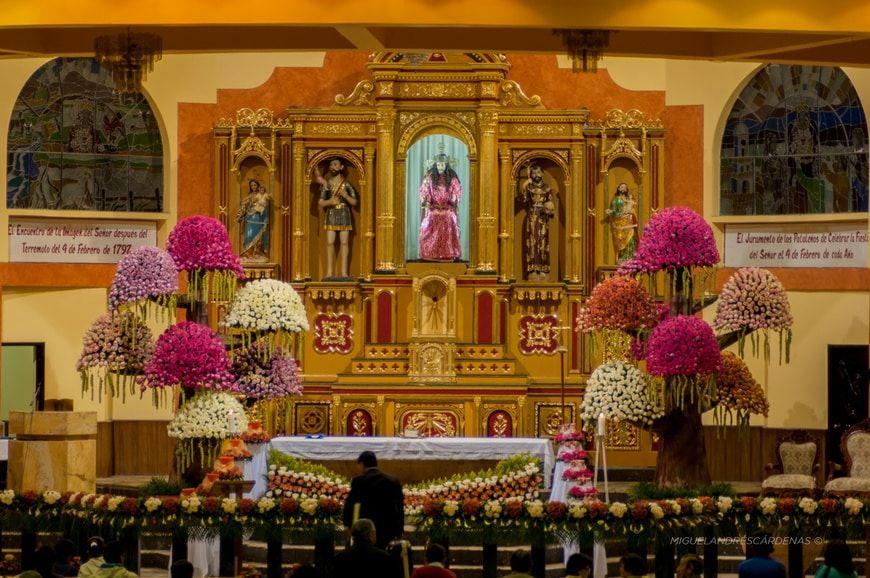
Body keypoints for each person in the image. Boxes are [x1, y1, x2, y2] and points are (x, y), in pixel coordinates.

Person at [342, 451, 404, 549]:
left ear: (362, 464)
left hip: (365, 529)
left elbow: (350, 504)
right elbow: (400, 507)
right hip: (387, 527)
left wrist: (347, 525)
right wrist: (399, 530)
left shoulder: (359, 481)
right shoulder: (393, 480)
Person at [315, 157, 358, 279]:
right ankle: (329, 272)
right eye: (331, 165)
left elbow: (354, 201)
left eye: (335, 164)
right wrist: (330, 201)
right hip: (332, 214)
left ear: (341, 167)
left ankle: (344, 273)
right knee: (330, 243)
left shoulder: (346, 184)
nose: (333, 167)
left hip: (344, 213)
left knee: (344, 243)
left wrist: (346, 196)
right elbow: (321, 202)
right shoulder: (327, 184)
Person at [418, 151, 462, 261]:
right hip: (434, 208)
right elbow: (424, 190)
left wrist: (454, 198)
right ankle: (430, 253)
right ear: (435, 165)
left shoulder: (452, 179)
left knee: (449, 218)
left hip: (447, 208)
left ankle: (448, 253)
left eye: (442, 165)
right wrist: (425, 198)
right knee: (430, 219)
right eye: (438, 164)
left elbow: (456, 190)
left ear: (446, 165)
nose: (440, 167)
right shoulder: (430, 178)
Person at [520, 162, 556, 281]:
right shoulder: (529, 187)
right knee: (532, 242)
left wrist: (549, 207)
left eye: (538, 172)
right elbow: (523, 199)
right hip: (532, 216)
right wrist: (525, 184)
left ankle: (543, 269)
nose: (536, 175)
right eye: (534, 172)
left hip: (543, 218)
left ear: (542, 173)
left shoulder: (547, 187)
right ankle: (533, 269)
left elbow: (551, 204)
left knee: (542, 242)